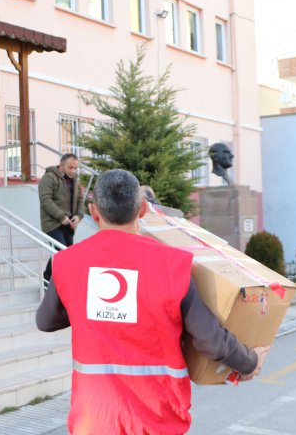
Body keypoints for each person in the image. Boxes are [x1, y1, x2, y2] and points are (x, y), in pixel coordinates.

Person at [36, 169, 269, 435]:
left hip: (95, 418)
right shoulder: (174, 264)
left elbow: (45, 321)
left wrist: (83, 302)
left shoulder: (66, 262)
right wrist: (250, 361)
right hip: (158, 418)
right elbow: (211, 340)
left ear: (94, 211)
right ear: (144, 209)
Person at [39, 153, 86, 284]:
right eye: (70, 167)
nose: (73, 171)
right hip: (52, 224)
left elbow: (81, 200)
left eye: (75, 168)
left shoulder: (75, 180)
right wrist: (61, 216)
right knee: (62, 252)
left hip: (69, 224)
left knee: (64, 253)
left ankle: (49, 278)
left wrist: (79, 215)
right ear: (61, 166)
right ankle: (51, 280)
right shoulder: (48, 178)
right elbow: (45, 200)